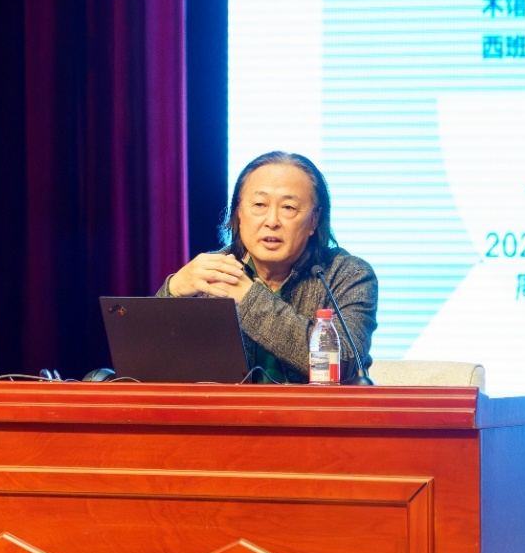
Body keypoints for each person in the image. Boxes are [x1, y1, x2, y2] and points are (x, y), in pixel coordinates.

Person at [157, 151, 378, 383]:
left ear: (314, 220)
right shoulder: (212, 272)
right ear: (238, 213)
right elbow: (151, 363)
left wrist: (250, 298)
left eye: (288, 207)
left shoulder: (347, 275)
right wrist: (172, 291)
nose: (272, 221)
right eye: (259, 204)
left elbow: (344, 363)